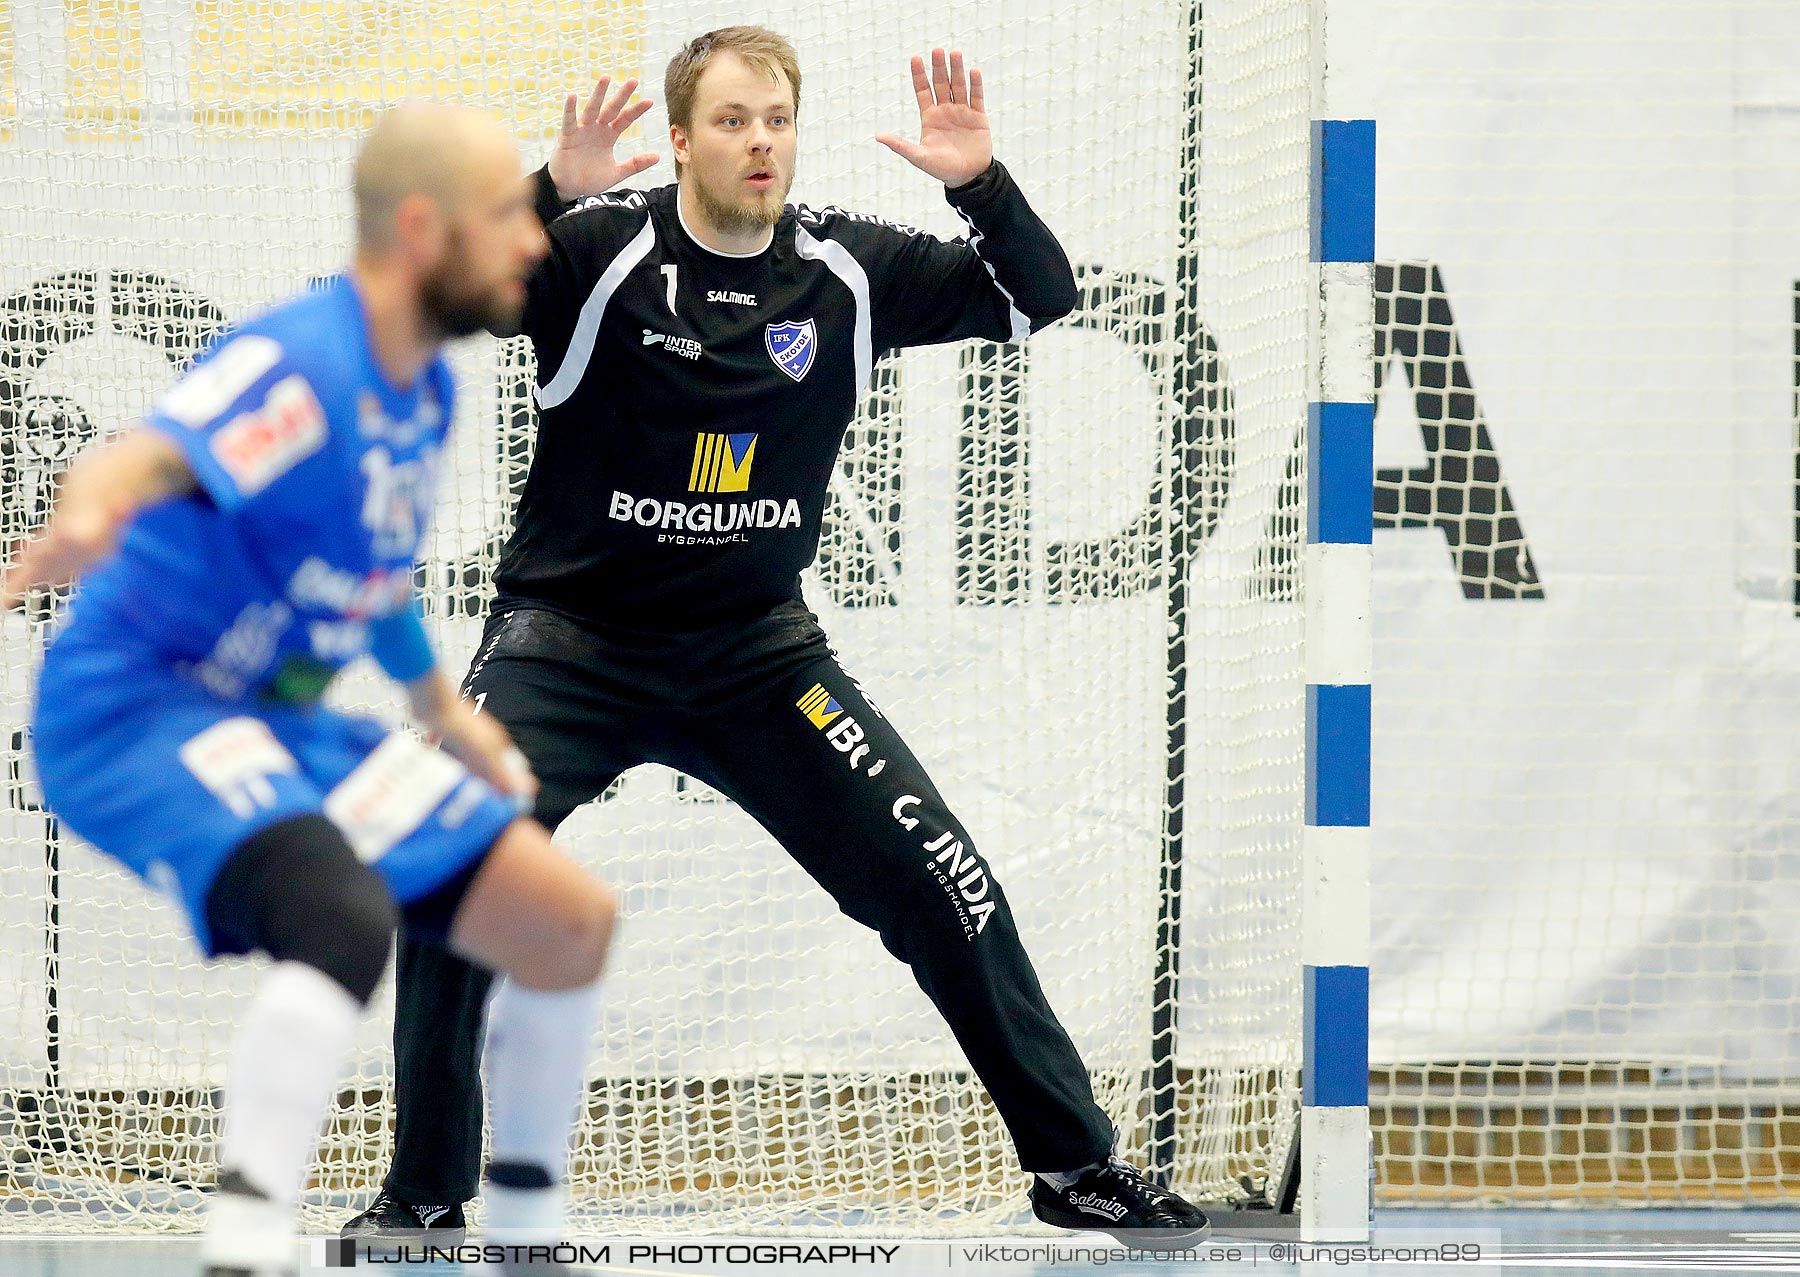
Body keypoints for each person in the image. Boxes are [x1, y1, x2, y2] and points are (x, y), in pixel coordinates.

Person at [341, 28, 1210, 1250]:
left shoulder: (846, 269)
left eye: (779, 119)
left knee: (947, 882)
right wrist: (549, 193)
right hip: (567, 646)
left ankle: (1075, 1165)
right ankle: (424, 1191)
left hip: (756, 657)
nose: (761, 141)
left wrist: (978, 184)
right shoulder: (599, 250)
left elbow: (1040, 295)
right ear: (685, 137)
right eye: (736, 120)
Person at [5, 102, 618, 1277]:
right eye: (508, 216)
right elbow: (150, 450)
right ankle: (243, 1251)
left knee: (567, 921)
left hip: (279, 716)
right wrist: (83, 515)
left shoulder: (424, 391)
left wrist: (446, 717)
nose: (535, 240)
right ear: (425, 230)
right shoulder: (308, 361)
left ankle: (529, 1243)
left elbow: (372, 581)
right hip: (140, 710)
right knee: (340, 920)